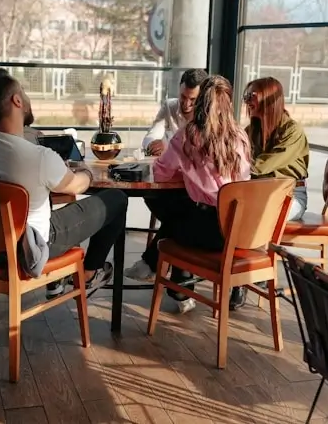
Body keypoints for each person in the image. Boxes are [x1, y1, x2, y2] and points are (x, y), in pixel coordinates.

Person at [0, 68, 129, 299]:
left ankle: (57, 281)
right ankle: (90, 272)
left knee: (42, 198)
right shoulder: (38, 157)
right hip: (31, 246)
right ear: (17, 100)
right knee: (117, 198)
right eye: (24, 93)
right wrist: (85, 171)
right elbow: (77, 186)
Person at [125, 75, 251, 313]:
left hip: (211, 233)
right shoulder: (241, 136)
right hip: (242, 229)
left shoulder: (188, 136)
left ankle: (168, 275)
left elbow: (160, 174)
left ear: (201, 101)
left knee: (172, 210)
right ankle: (171, 281)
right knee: (185, 210)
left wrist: (187, 172)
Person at [229, 76, 310, 310]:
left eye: (251, 96)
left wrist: (234, 164)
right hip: (258, 194)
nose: (246, 101)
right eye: (246, 96)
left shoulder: (292, 130)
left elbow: (262, 165)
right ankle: (247, 270)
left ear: (268, 99)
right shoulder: (250, 129)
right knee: (234, 211)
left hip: (290, 196)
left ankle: (244, 278)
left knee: (256, 214)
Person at [142, 68, 208, 156]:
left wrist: (168, 146)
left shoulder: (208, 112)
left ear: (202, 97)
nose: (186, 104)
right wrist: (152, 144)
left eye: (193, 99)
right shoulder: (169, 106)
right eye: (183, 96)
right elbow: (151, 136)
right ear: (179, 89)